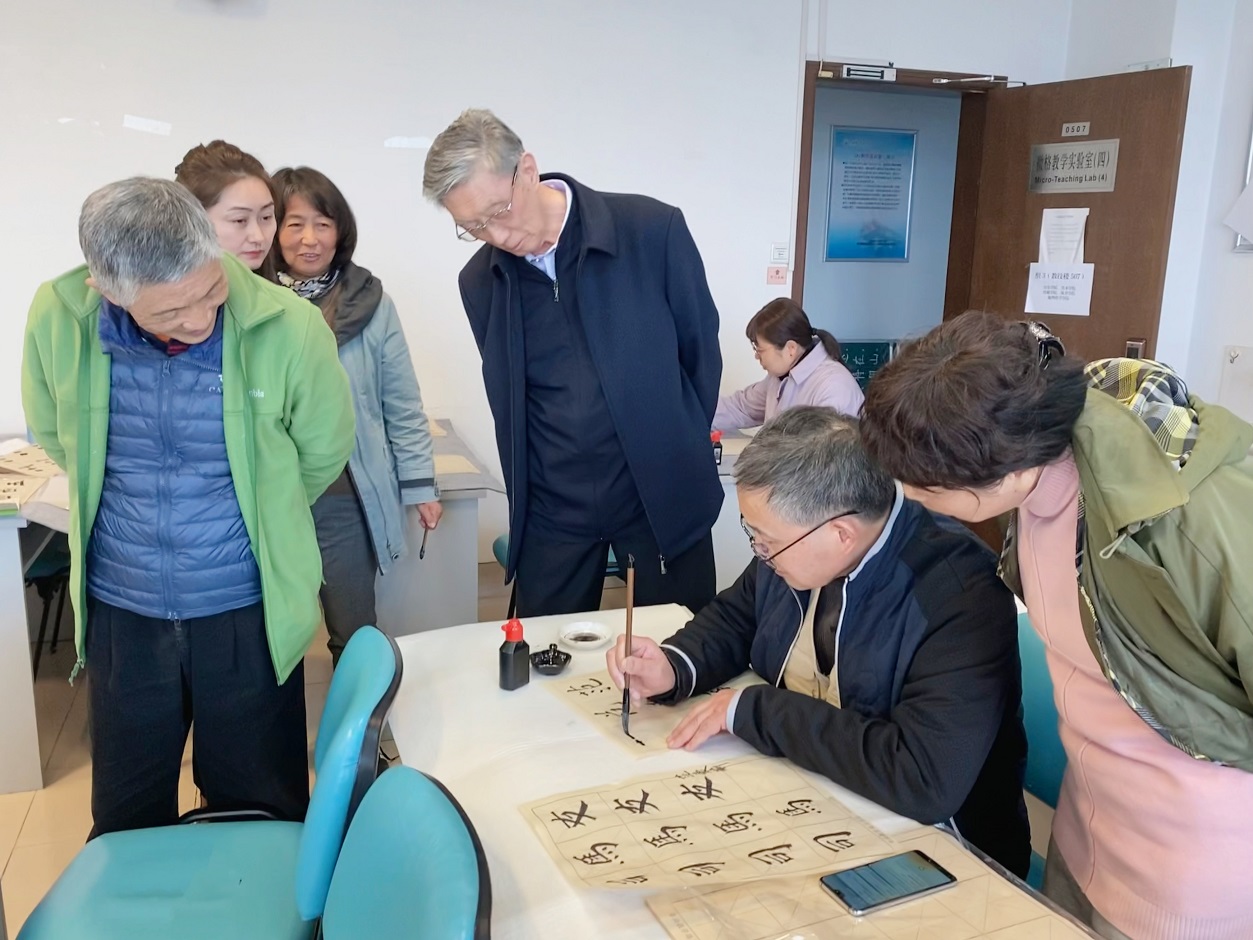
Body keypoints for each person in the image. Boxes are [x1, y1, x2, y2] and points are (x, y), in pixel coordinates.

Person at [859, 311, 1253, 940]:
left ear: (1007, 469)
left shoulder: (1191, 524)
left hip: (1190, 866)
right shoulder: (1037, 477)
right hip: (1088, 822)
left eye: (926, 485)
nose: (908, 495)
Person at [21, 178, 355, 835]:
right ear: (105, 288)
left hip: (245, 605)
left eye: (210, 291)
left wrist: (257, 516)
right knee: (128, 812)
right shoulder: (59, 319)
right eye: (171, 311)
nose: (200, 320)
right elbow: (57, 435)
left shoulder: (287, 325)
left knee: (259, 810)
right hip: (125, 605)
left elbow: (322, 451)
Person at [606, 406, 1031, 876]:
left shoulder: (960, 596)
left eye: (766, 541)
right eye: (753, 536)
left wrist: (758, 711)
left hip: (941, 853)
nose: (760, 553)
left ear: (841, 534)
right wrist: (673, 665)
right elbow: (739, 615)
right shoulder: (800, 546)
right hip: (818, 799)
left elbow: (923, 779)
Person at [423, 110, 722, 619]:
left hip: (657, 493)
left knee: (678, 640)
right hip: (553, 508)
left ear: (527, 170)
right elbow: (514, 395)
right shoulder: (481, 282)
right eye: (473, 227)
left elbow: (699, 355)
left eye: (499, 211)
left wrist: (673, 441)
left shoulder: (650, 231)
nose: (497, 235)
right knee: (544, 651)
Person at [271, 165, 441, 664]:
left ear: (340, 231)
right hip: (269, 494)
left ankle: (361, 713)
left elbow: (400, 402)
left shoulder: (371, 303)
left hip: (341, 495)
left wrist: (420, 485)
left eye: (322, 224)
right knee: (268, 637)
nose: (309, 239)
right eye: (294, 224)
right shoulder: (248, 302)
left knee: (353, 630)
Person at [713, 297, 863, 430]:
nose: (756, 356)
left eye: (760, 350)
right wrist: (699, 412)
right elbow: (741, 408)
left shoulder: (833, 387)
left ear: (791, 348)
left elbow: (825, 449)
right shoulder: (779, 377)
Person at [175, 140, 277, 278]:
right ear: (193, 221)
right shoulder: (159, 289)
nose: (258, 237)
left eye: (266, 217)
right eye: (240, 220)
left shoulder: (282, 289)